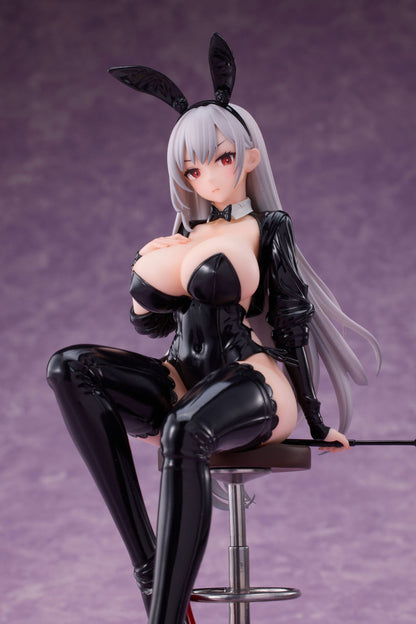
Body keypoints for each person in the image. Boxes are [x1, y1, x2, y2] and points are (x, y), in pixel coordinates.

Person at [47, 34, 380, 624]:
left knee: (184, 429)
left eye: (221, 159)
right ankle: (152, 572)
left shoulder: (268, 227)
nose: (207, 177)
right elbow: (152, 327)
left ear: (248, 157)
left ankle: (164, 616)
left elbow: (291, 321)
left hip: (250, 379)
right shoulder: (184, 233)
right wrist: (145, 281)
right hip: (184, 377)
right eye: (192, 167)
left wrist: (317, 419)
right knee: (70, 367)